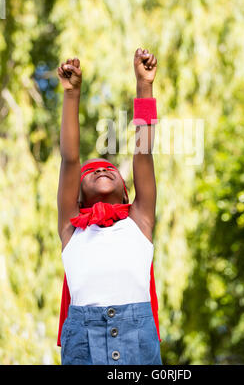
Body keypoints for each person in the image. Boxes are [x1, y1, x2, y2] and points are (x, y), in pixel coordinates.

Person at [56, 49, 162, 365]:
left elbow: (143, 150)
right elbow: (69, 158)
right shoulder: (70, 226)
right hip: (82, 340)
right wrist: (72, 94)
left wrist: (144, 86)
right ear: (77, 194)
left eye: (109, 169)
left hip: (138, 336)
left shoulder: (139, 220)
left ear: (127, 190)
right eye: (91, 171)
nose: (102, 169)